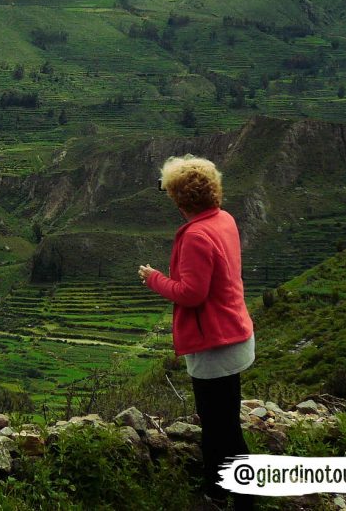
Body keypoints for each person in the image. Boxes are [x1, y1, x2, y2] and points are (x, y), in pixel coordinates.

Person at [139, 156, 254, 511]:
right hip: (235, 332)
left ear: (179, 198)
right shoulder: (225, 220)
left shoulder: (196, 235)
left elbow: (191, 293)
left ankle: (225, 496)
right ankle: (232, 492)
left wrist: (154, 278)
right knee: (226, 421)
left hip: (213, 343)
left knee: (220, 429)